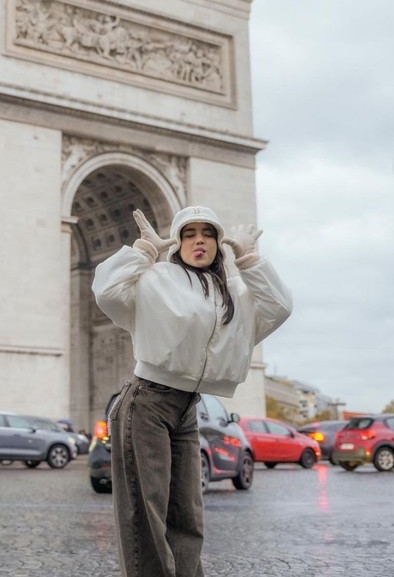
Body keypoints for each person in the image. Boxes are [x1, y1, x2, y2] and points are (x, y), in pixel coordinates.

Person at [92, 205, 293, 577]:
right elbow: (105, 291)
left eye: (208, 233)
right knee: (145, 516)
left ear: (219, 242)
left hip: (187, 407)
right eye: (188, 233)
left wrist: (250, 261)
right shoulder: (156, 277)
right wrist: (142, 253)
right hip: (146, 402)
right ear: (177, 242)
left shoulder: (235, 291)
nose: (199, 240)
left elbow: (280, 307)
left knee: (187, 518)